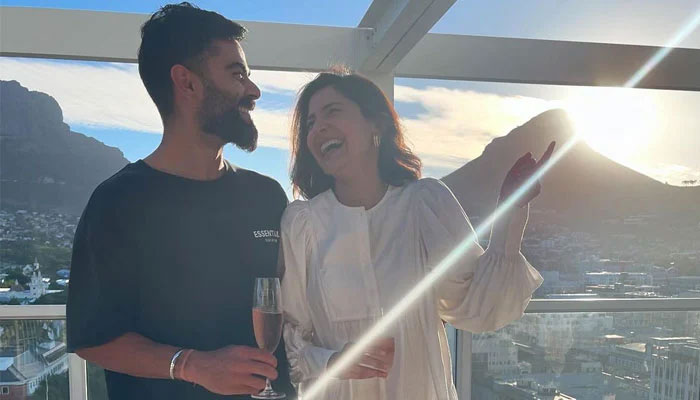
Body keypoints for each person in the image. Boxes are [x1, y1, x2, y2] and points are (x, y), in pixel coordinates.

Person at [279, 69, 555, 399]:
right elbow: (292, 346)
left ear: (376, 125)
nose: (318, 128)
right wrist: (333, 362)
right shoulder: (302, 224)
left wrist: (510, 209)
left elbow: (477, 306)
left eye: (332, 111)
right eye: (310, 123)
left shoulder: (425, 204)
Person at [66, 3, 295, 399]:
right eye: (237, 74)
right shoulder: (117, 202)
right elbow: (93, 338)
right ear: (187, 83)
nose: (254, 91)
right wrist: (193, 365)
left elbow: (297, 306)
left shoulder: (267, 195)